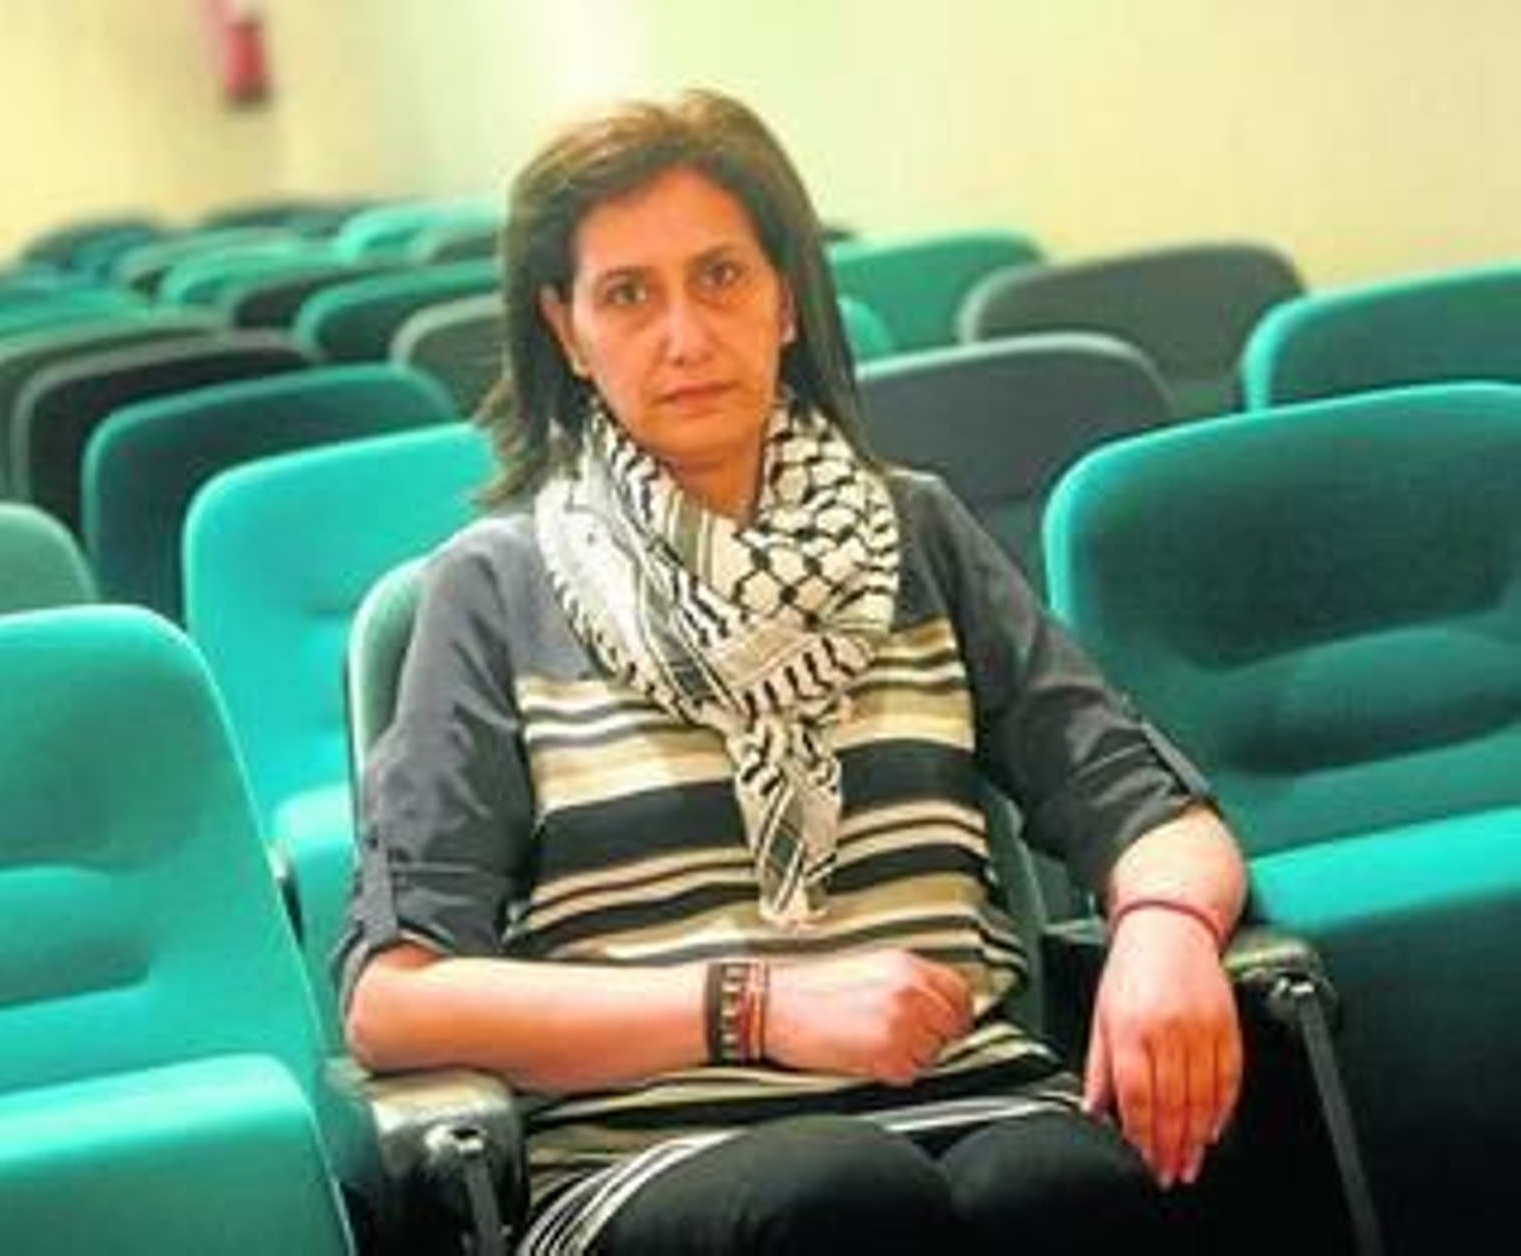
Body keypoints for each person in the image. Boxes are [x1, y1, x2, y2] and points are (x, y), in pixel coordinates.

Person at [338, 88, 1247, 1256]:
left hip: (968, 1099)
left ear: (783, 299)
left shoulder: (915, 531)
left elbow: (1147, 806)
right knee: (835, 1194)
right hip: (648, 1155)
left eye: (720, 276)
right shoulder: (493, 588)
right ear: (566, 330)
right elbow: (397, 997)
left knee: (1071, 1182)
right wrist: (751, 1006)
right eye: (628, 294)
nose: (683, 334)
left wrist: (1165, 929)